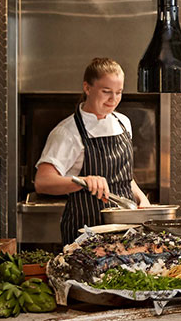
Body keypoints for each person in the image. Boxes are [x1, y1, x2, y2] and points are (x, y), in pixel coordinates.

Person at [34, 57, 150, 244]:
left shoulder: (123, 123)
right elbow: (43, 182)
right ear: (87, 88)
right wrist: (83, 182)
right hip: (86, 231)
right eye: (106, 92)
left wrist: (141, 198)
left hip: (126, 230)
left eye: (118, 92)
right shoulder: (67, 132)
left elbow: (124, 178)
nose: (113, 100)